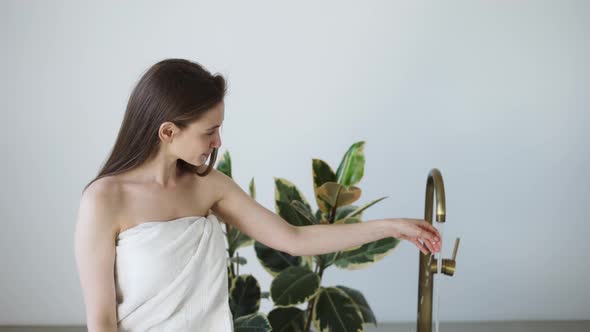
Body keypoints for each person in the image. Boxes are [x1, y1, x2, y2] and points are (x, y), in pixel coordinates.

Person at [74, 58, 442, 332]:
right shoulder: (104, 201)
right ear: (168, 131)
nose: (218, 142)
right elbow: (102, 320)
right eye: (209, 132)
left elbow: (294, 239)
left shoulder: (208, 187)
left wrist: (392, 227)